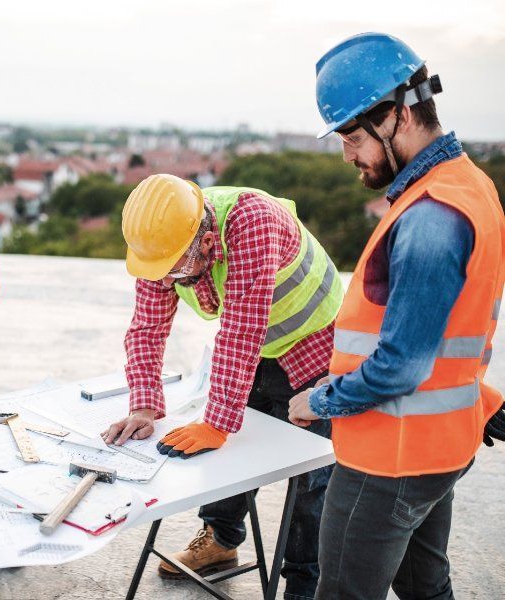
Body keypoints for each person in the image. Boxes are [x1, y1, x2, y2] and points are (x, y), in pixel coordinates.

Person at [288, 32, 505, 599]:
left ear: (400, 115)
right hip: (439, 446)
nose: (348, 156)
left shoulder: (431, 215)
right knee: (426, 590)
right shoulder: (469, 186)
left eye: (353, 138)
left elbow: (402, 365)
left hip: (390, 460)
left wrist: (321, 400)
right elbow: (459, 332)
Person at [102, 173, 344, 598]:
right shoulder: (162, 245)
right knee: (228, 460)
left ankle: (306, 583)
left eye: (176, 268)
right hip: (255, 349)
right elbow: (146, 328)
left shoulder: (252, 221)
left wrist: (218, 421)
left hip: (314, 344)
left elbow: (242, 330)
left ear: (206, 239)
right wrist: (144, 405)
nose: (168, 280)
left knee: (310, 477)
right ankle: (220, 541)